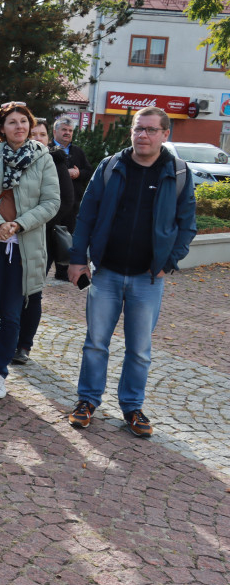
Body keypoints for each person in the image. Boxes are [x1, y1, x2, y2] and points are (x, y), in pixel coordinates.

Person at [67, 106, 196, 438]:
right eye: (139, 129)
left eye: (152, 130)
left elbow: (187, 225)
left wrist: (170, 261)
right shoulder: (112, 166)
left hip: (148, 278)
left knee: (139, 349)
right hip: (107, 272)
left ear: (166, 135)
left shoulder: (178, 173)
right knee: (96, 343)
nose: (144, 135)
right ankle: (87, 401)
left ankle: (132, 407)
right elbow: (86, 215)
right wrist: (78, 258)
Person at [0, 102, 59, 400]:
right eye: (12, 122)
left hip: (25, 248)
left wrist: (18, 224)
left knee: (12, 314)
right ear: (1, 127)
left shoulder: (43, 157)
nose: (19, 126)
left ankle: (0, 374)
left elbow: (51, 202)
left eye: (23, 121)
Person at [12, 120, 74, 366]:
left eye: (42, 134)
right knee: (11, 289)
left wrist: (37, 223)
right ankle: (7, 338)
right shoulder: (15, 159)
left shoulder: (56, 162)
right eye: (33, 133)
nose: (38, 138)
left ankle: (24, 344)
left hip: (42, 238)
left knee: (32, 292)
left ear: (49, 138)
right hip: (13, 235)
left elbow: (66, 202)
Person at [51, 115, 90, 279]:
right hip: (51, 203)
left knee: (67, 238)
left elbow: (89, 172)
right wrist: (63, 174)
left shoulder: (77, 152)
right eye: (64, 130)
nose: (67, 133)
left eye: (70, 131)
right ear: (55, 131)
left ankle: (62, 272)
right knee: (49, 238)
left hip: (72, 203)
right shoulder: (47, 149)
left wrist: (78, 172)